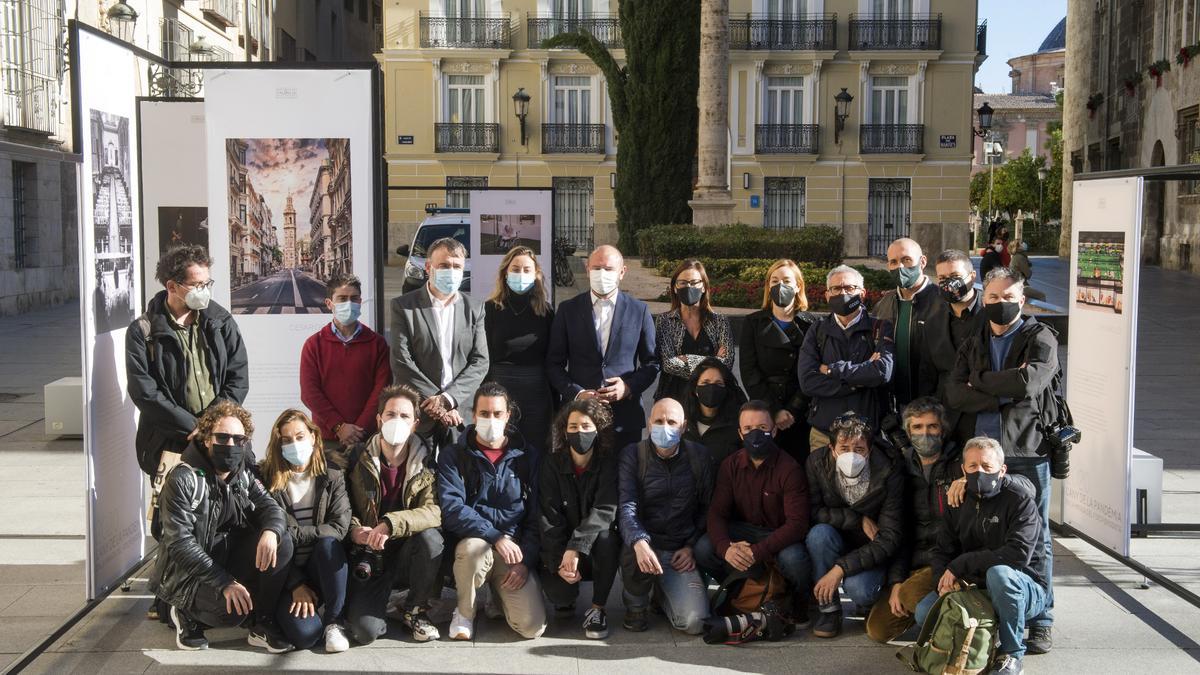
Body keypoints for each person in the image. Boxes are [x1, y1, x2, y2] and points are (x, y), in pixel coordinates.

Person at [946, 267, 1059, 654]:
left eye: (1008, 297)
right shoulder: (974, 336)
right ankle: (1000, 603)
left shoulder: (1040, 337)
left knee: (1037, 533)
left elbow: (1028, 384)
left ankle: (1041, 618)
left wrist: (977, 381)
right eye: (992, 297)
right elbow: (953, 393)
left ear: (1021, 300)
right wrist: (999, 390)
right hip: (980, 452)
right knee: (987, 529)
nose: (1000, 303)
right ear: (984, 296)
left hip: (1025, 450)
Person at [152, 400, 294, 653]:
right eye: (222, 437)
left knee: (282, 541)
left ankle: (260, 621)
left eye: (238, 439)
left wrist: (271, 532)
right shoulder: (183, 478)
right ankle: (184, 612)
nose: (230, 445)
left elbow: (272, 508)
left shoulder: (244, 474)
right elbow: (180, 544)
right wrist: (225, 582)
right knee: (230, 615)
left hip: (226, 559)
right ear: (207, 439)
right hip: (189, 574)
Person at [127, 244, 248, 501]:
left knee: (226, 513)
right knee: (172, 519)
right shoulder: (143, 331)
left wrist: (213, 424)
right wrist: (194, 427)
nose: (204, 291)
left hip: (220, 440)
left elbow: (238, 377)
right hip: (169, 442)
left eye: (207, 283)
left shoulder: (220, 320)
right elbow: (144, 392)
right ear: (172, 287)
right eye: (196, 285)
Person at [918, 437, 1048, 675]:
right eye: (972, 466)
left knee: (999, 574)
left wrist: (961, 564)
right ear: (963, 469)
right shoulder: (956, 498)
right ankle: (986, 632)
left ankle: (1011, 654)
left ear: (1002, 470)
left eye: (987, 467)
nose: (979, 472)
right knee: (923, 613)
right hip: (974, 585)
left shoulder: (1019, 500)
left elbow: (1018, 554)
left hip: (1023, 586)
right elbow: (942, 549)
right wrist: (943, 581)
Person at [438, 382, 546, 640]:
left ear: (508, 415)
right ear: (473, 415)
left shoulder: (527, 456)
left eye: (498, 414)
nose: (491, 419)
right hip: (476, 544)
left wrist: (526, 562)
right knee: (472, 550)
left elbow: (536, 515)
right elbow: (452, 508)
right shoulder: (454, 455)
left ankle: (497, 597)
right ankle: (464, 612)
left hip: (513, 552)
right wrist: (496, 537)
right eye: (484, 414)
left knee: (532, 627)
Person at [343, 384, 444, 644]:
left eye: (404, 416)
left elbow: (433, 511)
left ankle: (414, 609)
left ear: (415, 424)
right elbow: (342, 507)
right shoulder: (356, 458)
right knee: (365, 632)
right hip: (370, 555)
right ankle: (383, 603)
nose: (396, 421)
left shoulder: (427, 462)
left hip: (407, 554)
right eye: (390, 414)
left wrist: (390, 524)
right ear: (379, 420)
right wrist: (355, 530)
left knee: (432, 539)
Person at [695, 400, 811, 617]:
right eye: (748, 429)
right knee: (704, 547)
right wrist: (726, 548)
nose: (754, 434)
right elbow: (717, 513)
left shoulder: (790, 469)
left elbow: (797, 525)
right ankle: (740, 586)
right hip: (744, 531)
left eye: (762, 428)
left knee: (794, 559)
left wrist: (757, 552)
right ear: (740, 434)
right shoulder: (730, 466)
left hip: (778, 535)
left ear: (774, 431)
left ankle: (799, 599)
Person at [865, 398, 962, 643]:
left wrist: (967, 479)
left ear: (943, 430)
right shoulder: (899, 468)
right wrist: (896, 581)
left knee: (913, 600)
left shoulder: (958, 464)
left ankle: (954, 620)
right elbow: (899, 532)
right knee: (878, 630)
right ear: (908, 432)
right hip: (912, 562)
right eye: (917, 427)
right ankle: (928, 608)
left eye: (932, 427)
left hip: (948, 561)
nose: (925, 433)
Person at [258, 409, 353, 652]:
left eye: (300, 437)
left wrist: (294, 533)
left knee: (329, 544)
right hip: (286, 572)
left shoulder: (333, 474)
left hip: (321, 566)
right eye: (287, 440)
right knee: (306, 636)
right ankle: (308, 610)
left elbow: (339, 528)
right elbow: (273, 538)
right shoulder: (266, 478)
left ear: (313, 437)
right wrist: (296, 584)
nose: (295, 444)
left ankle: (334, 621)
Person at [547, 245, 659, 450]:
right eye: (596, 268)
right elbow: (553, 364)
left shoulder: (639, 310)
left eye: (608, 269)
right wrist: (577, 394)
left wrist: (628, 387)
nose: (601, 274)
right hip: (578, 418)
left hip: (624, 418)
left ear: (622, 272)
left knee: (623, 478)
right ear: (588, 269)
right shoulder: (568, 310)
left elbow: (652, 363)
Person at [617, 398, 714, 635]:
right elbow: (626, 506)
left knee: (695, 623)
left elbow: (708, 507)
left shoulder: (699, 456)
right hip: (644, 547)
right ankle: (636, 604)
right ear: (649, 424)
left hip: (678, 551)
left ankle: (661, 594)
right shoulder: (633, 454)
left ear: (683, 427)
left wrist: (691, 546)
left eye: (672, 422)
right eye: (658, 421)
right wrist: (640, 541)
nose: (665, 427)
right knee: (632, 542)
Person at [804, 413, 904, 638]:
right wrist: (857, 519)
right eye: (844, 447)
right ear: (831, 448)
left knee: (860, 589)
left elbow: (890, 536)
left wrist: (839, 569)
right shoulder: (817, 463)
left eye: (858, 449)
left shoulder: (889, 469)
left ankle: (870, 600)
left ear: (869, 450)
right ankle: (828, 608)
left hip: (874, 547)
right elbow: (812, 511)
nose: (851, 455)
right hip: (838, 537)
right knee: (818, 535)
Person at [390, 237, 489, 453]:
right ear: (428, 267)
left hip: (459, 413)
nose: (451, 271)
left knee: (459, 479)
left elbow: (480, 362)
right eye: (444, 265)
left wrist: (448, 399)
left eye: (456, 266)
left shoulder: (475, 308)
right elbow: (401, 360)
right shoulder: (404, 306)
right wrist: (437, 403)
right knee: (418, 480)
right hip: (419, 412)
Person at [538, 398, 621, 639]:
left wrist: (576, 547)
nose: (579, 432)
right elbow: (548, 515)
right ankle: (567, 597)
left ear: (598, 429)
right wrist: (559, 559)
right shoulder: (552, 463)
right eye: (573, 427)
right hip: (562, 547)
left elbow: (605, 509)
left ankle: (598, 608)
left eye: (586, 426)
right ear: (564, 431)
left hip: (593, 545)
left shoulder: (607, 463)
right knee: (560, 596)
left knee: (607, 537)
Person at [798, 265, 895, 451]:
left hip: (866, 435)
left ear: (863, 293)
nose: (843, 293)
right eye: (836, 288)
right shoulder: (817, 330)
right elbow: (808, 382)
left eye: (850, 288)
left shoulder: (880, 327)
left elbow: (882, 373)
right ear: (827, 295)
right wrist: (860, 380)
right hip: (823, 433)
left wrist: (831, 370)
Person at [300, 273, 390, 464]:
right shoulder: (314, 344)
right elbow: (310, 393)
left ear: (360, 301)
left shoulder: (377, 343)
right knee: (329, 492)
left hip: (366, 439)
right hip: (327, 440)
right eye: (342, 298)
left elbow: (382, 390)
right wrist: (339, 426)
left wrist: (358, 429)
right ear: (329, 303)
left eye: (354, 298)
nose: (349, 303)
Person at [738, 259, 816, 461]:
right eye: (774, 280)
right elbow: (749, 371)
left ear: (798, 286)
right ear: (768, 286)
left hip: (801, 413)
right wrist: (774, 410)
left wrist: (792, 410)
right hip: (765, 413)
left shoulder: (812, 325)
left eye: (787, 280)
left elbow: (813, 371)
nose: (780, 285)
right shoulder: (753, 323)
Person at [485, 246, 556, 449]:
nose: (521, 274)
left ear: (536, 275)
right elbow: (483, 355)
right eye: (515, 269)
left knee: (536, 450)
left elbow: (554, 357)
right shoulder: (490, 309)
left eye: (526, 270)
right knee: (500, 447)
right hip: (499, 389)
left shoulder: (546, 311)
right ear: (505, 272)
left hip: (536, 391)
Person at [872, 238, 945, 407]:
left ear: (923, 262)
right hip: (893, 405)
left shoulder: (943, 303)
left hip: (932, 405)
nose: (900, 267)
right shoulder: (884, 304)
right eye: (893, 262)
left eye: (906, 260)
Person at [923, 249, 987, 441]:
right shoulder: (933, 320)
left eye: (955, 276)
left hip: (983, 415)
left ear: (972, 276)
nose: (948, 283)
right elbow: (927, 372)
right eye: (942, 278)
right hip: (946, 416)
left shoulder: (991, 314)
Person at [653, 259, 735, 401]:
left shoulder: (719, 321)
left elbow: (727, 362)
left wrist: (685, 359)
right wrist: (713, 359)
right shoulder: (664, 321)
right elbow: (668, 364)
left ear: (703, 287)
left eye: (694, 283)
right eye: (683, 283)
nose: (689, 287)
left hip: (712, 396)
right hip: (673, 396)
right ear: (675, 287)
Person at [681, 356, 748, 470]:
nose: (711, 388)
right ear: (695, 389)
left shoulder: (737, 425)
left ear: (726, 389)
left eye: (718, 383)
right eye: (705, 382)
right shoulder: (681, 422)